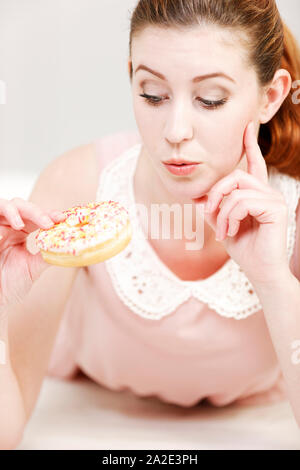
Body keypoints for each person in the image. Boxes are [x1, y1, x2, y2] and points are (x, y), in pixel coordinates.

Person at [1, 0, 300, 449]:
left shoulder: (292, 206)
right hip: (92, 399)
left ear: (270, 96)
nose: (175, 130)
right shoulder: (76, 187)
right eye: (153, 94)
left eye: (210, 99)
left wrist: (274, 281)